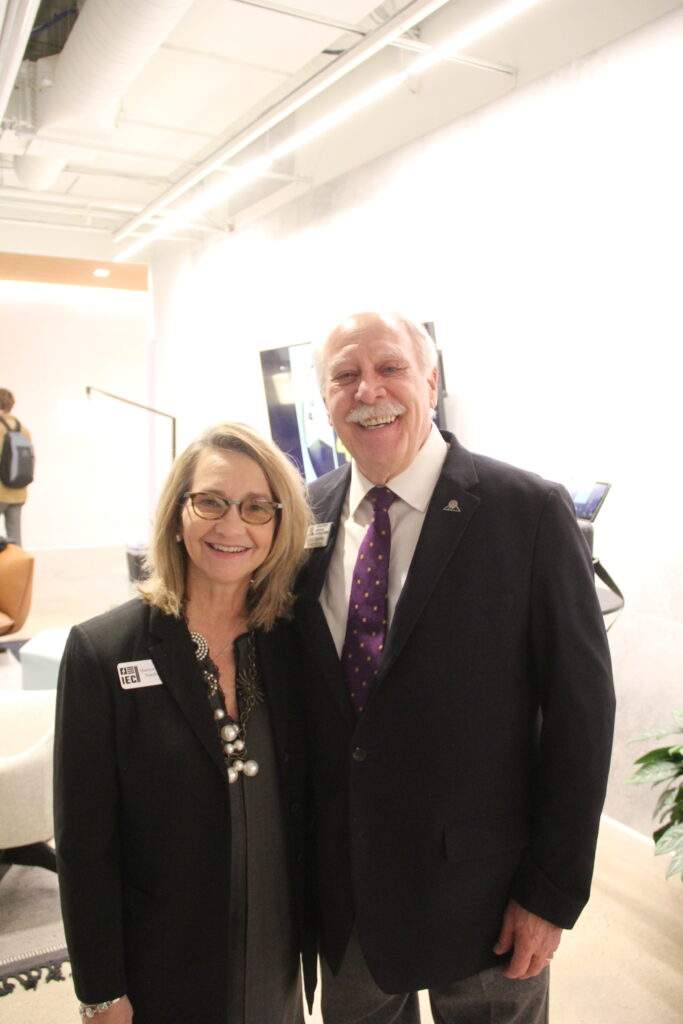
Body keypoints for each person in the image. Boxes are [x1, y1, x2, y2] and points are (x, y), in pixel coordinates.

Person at [295, 312, 616, 1023]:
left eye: (390, 368)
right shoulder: (304, 515)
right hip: (350, 892)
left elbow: (582, 714)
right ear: (324, 399)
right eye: (345, 376)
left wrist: (550, 892)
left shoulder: (527, 511)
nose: (368, 391)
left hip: (487, 896)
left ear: (431, 381)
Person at [55, 422, 315, 1024]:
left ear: (278, 526)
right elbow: (85, 844)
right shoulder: (102, 652)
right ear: (178, 514)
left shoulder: (293, 643)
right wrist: (101, 990)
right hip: (162, 967)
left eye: (256, 507)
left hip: (276, 958)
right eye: (211, 502)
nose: (232, 526)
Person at [0, 388, 32, 546]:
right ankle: (17, 562)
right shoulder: (23, 429)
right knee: (15, 539)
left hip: (1, 490)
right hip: (18, 491)